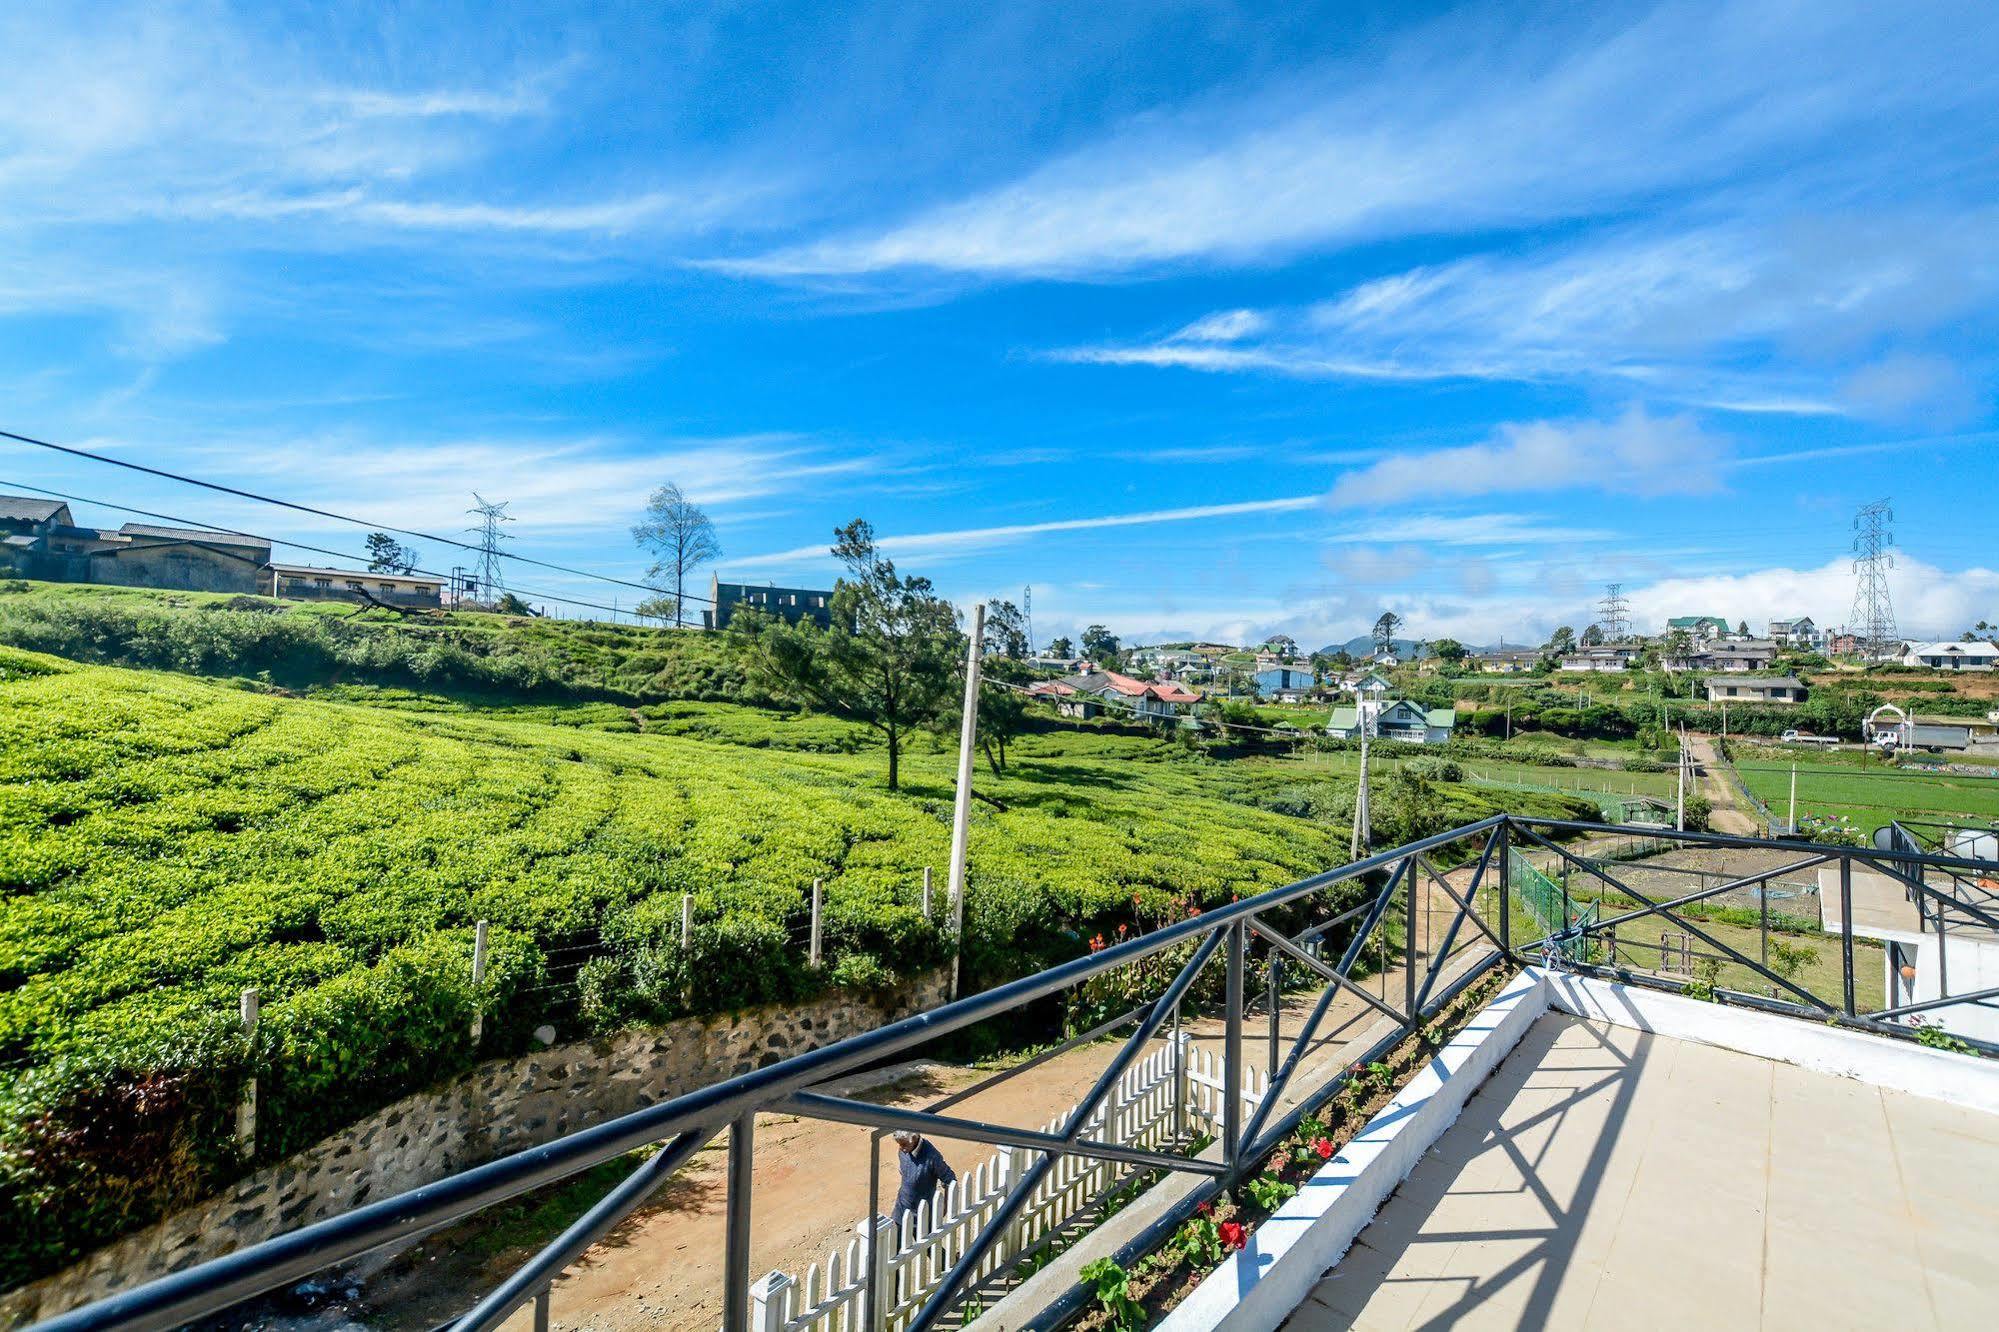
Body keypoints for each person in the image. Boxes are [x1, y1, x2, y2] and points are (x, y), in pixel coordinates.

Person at [890, 1131, 957, 1227]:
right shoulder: (903, 1150)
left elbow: (950, 1181)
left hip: (922, 1217)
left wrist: (945, 1207)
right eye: (899, 1144)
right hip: (900, 1212)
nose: (901, 1148)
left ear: (914, 1139)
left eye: (904, 1144)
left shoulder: (932, 1157)